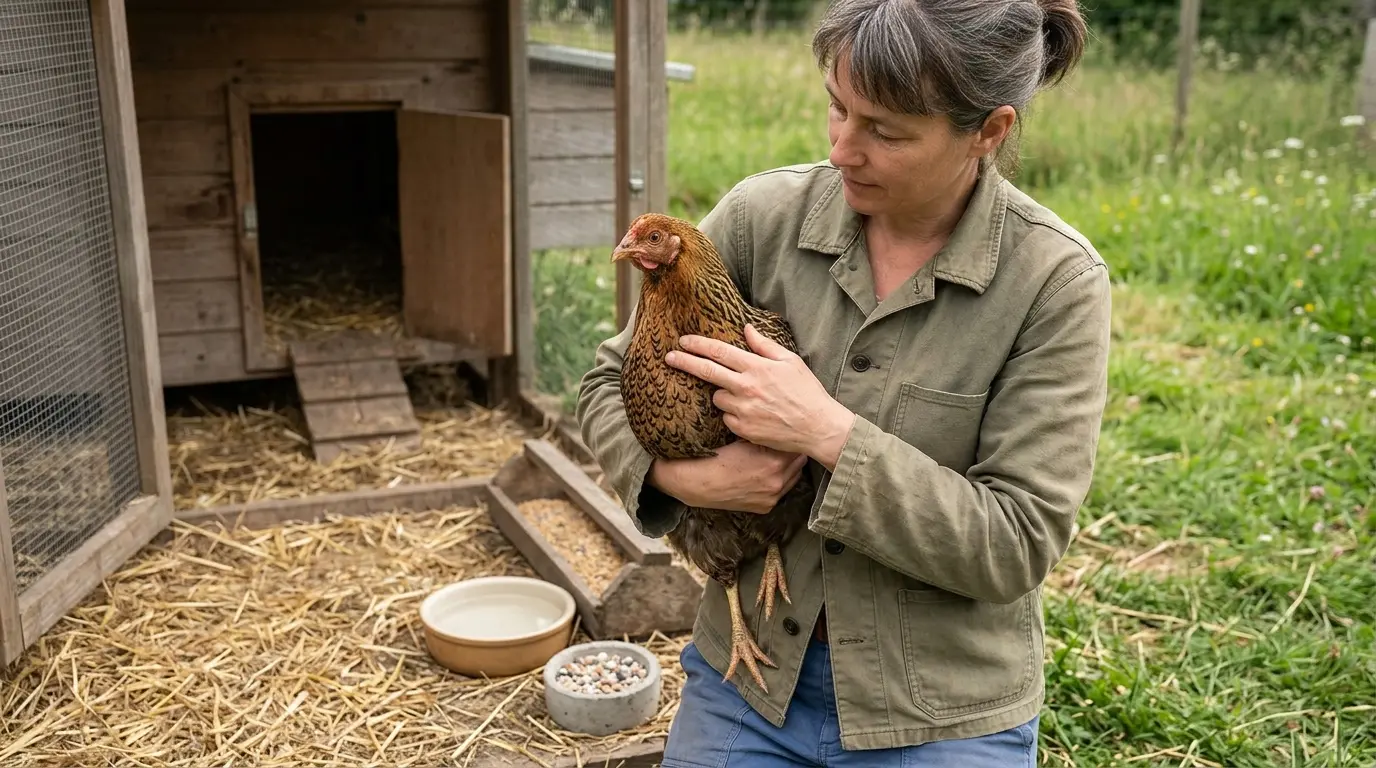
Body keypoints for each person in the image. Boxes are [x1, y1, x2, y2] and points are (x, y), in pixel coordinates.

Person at [576, 0, 1110, 764]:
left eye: (886, 132)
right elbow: (604, 383)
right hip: (750, 676)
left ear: (988, 132)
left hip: (941, 709)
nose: (841, 152)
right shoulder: (763, 217)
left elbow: (1016, 542)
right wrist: (688, 477)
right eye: (838, 109)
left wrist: (826, 431)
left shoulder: (1053, 283)